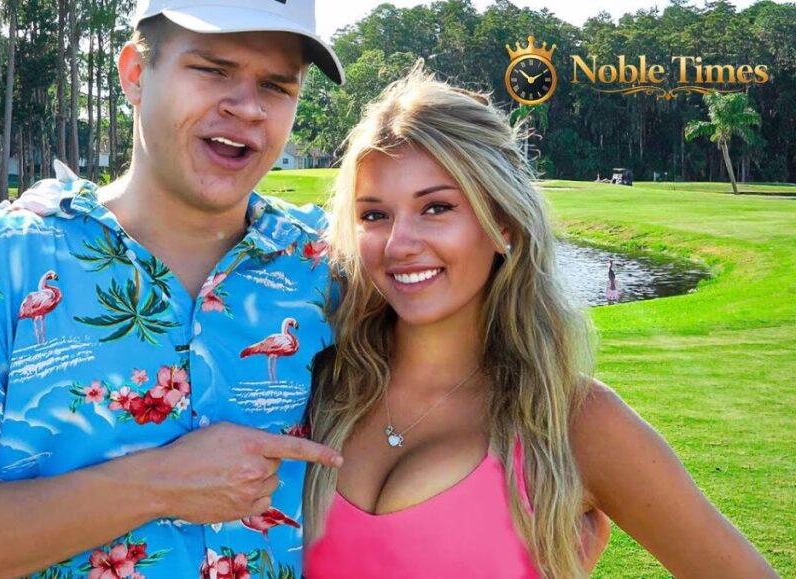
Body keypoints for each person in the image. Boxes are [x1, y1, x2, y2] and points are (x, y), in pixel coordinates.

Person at [0, 1, 348, 577]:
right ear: (135, 74)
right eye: (213, 70)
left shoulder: (331, 267)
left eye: (276, 86)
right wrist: (158, 484)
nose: (249, 107)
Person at [302, 65, 777, 578]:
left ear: (503, 223)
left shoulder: (574, 420)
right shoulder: (314, 386)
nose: (399, 245)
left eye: (436, 207)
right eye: (374, 215)